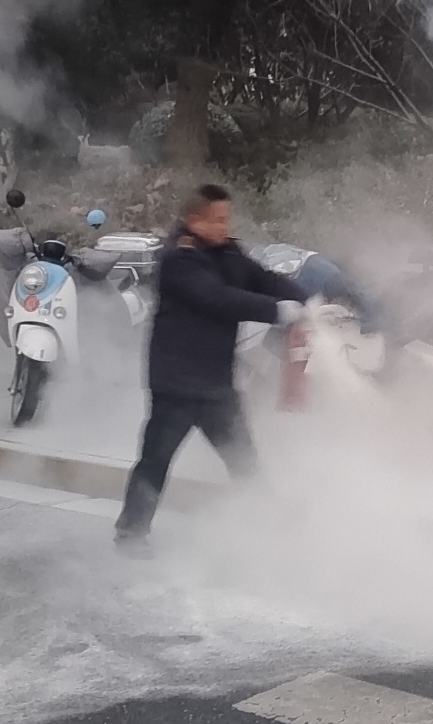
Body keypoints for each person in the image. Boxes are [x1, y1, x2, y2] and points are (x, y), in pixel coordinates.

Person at [114, 184, 306, 553]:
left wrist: (307, 299)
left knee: (243, 457)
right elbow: (217, 299)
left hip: (215, 384)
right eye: (217, 220)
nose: (224, 226)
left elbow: (262, 279)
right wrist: (277, 311)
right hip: (176, 385)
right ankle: (130, 533)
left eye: (226, 219)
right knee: (155, 461)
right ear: (194, 220)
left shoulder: (227, 251)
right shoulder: (178, 259)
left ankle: (269, 521)